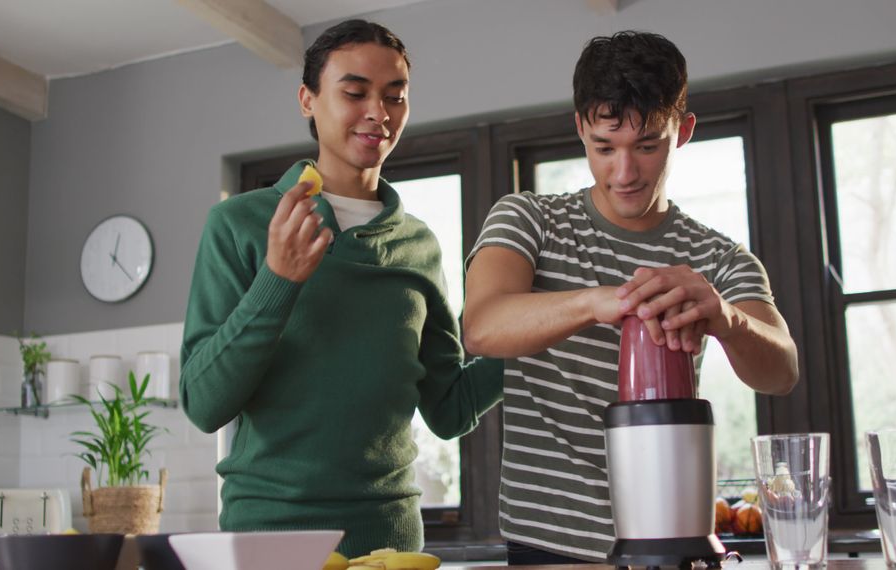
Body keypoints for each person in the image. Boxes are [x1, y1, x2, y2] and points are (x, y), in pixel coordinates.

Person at [462, 31, 799, 564]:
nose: (624, 172)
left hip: (670, 542)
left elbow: (781, 371)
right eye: (604, 147)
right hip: (548, 544)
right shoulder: (531, 220)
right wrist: (600, 302)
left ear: (682, 131)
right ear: (580, 128)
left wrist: (726, 318)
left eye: (647, 146)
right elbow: (481, 326)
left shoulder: (717, 257)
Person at [180, 19, 502, 557]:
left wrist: (537, 335)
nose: (379, 113)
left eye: (395, 97)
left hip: (392, 546)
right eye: (355, 93)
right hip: (270, 543)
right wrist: (278, 279)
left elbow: (448, 408)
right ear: (308, 99)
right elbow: (204, 403)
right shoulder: (240, 224)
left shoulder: (419, 245)